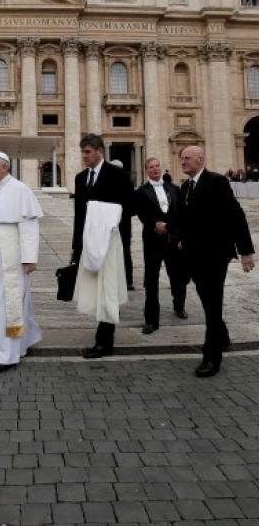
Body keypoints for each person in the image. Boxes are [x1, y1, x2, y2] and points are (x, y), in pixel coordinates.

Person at [178, 146, 255, 377]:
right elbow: (184, 219)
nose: (182, 162)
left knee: (212, 303)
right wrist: (177, 235)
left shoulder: (217, 182)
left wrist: (246, 251)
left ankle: (211, 357)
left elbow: (235, 215)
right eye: (181, 158)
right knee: (208, 300)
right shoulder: (185, 187)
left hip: (215, 255)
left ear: (200, 160)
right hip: (194, 255)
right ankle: (221, 336)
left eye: (187, 159)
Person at [0, 152, 43, 373]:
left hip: (8, 255)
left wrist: (30, 258)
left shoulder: (20, 189)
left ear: (5, 167)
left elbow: (29, 226)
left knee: (6, 305)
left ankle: (4, 354)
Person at [71, 134, 134, 358]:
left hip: (109, 241)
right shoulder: (80, 179)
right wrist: (76, 247)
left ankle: (104, 342)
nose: (84, 156)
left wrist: (110, 226)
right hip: (88, 242)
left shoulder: (117, 174)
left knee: (108, 288)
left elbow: (129, 207)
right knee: (94, 289)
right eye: (83, 152)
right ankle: (102, 334)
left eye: (87, 152)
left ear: (99, 151)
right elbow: (78, 215)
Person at [136, 157, 187, 335]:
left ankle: (179, 306)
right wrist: (154, 224)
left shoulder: (174, 189)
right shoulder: (141, 192)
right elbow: (141, 213)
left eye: (157, 166)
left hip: (173, 240)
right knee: (151, 280)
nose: (155, 169)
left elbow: (181, 214)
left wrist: (180, 236)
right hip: (152, 241)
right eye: (151, 167)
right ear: (146, 170)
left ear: (161, 168)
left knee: (177, 277)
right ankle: (151, 320)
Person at [109, 159, 134, 290]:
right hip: (121, 222)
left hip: (121, 222)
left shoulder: (110, 183)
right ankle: (127, 280)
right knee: (123, 250)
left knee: (123, 250)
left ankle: (126, 280)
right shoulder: (127, 182)